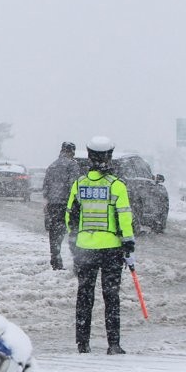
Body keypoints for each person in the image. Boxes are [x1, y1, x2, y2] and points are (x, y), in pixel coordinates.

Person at [65, 136, 134, 355]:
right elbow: (124, 218)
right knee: (111, 296)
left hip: (85, 249)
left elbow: (71, 217)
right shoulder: (117, 186)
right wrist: (128, 243)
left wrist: (75, 240)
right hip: (111, 249)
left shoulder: (79, 184)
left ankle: (82, 343)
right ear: (109, 157)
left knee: (84, 295)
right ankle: (113, 344)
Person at [42, 141, 79, 270]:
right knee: (73, 233)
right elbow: (73, 186)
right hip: (66, 204)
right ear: (71, 152)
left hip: (53, 204)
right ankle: (77, 262)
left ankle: (55, 260)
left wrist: (49, 200)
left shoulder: (52, 165)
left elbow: (45, 187)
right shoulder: (72, 165)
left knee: (55, 234)